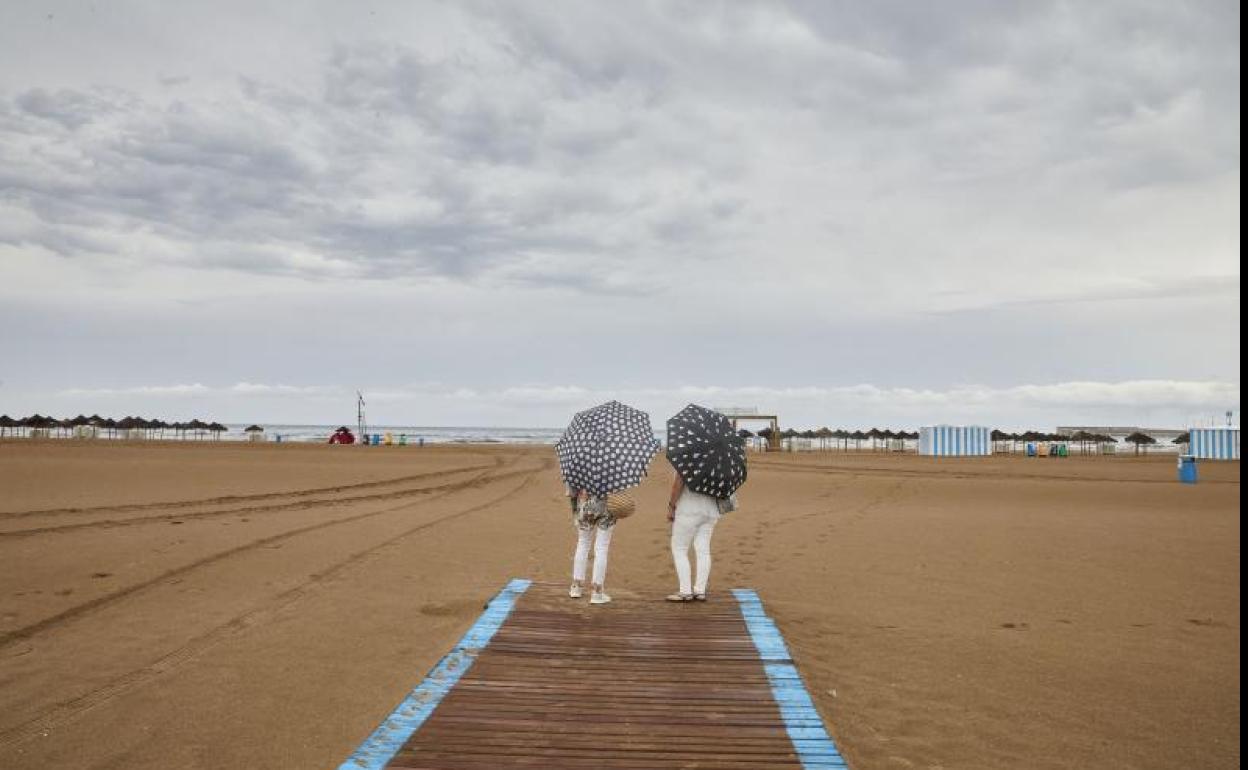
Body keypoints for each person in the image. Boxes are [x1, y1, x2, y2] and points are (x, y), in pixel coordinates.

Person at [666, 473, 721, 602]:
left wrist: (671, 506)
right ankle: (700, 590)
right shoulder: (718, 458)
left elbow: (678, 484)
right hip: (711, 509)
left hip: (689, 508)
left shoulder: (685, 456)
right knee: (703, 548)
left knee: (679, 548)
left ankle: (685, 590)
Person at [568, 487, 616, 606]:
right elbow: (619, 488)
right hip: (606, 504)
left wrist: (575, 508)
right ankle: (597, 592)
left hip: (585, 502)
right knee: (601, 548)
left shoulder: (579, 468)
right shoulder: (613, 468)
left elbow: (571, 490)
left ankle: (576, 586)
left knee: (583, 543)